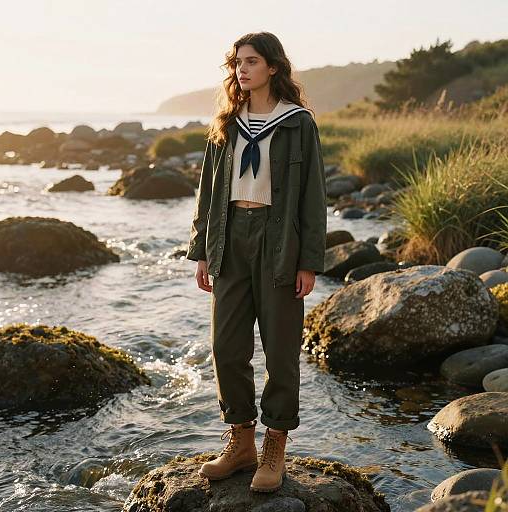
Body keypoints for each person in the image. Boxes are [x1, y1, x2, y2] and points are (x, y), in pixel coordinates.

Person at [186, 31, 327, 493]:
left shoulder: (297, 123)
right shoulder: (227, 123)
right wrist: (202, 249)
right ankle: (241, 440)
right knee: (227, 347)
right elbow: (208, 189)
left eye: (252, 61)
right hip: (229, 237)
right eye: (238, 63)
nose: (242, 70)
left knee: (281, 347)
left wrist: (308, 260)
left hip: (278, 239)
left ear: (273, 67)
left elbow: (312, 195)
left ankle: (275, 446)